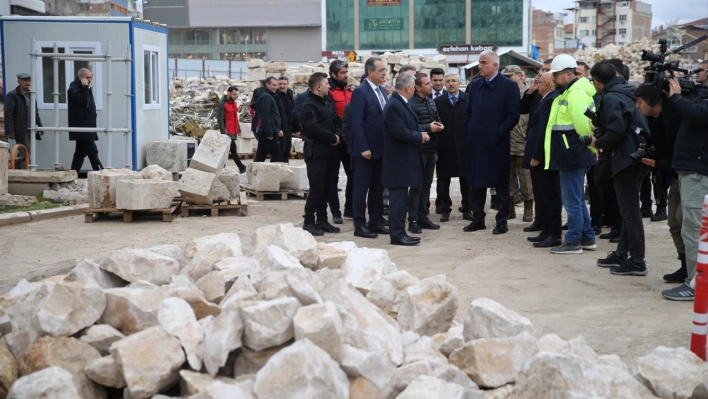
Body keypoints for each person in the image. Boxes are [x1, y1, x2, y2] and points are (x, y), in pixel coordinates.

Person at [588, 60, 649, 276]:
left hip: (626, 160)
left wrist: (598, 142)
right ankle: (622, 253)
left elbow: (615, 130)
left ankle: (638, 261)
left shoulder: (612, 96)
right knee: (627, 210)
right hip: (635, 156)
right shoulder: (627, 90)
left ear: (597, 82)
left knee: (631, 212)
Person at [462, 50, 521, 235]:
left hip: (497, 144)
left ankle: (501, 221)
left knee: (501, 185)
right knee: (476, 183)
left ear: (495, 66)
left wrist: (499, 132)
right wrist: (469, 129)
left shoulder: (509, 87)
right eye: (479, 62)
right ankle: (478, 219)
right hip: (476, 144)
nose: (479, 66)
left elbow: (513, 115)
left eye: (483, 62)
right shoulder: (475, 85)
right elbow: (468, 112)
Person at [661, 74, 708, 301]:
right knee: (692, 228)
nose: (701, 72)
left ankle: (696, 284)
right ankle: (695, 280)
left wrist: (677, 97)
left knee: (694, 229)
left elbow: (698, 113)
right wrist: (672, 99)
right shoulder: (701, 95)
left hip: (699, 172)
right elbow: (677, 122)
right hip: (691, 169)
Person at [543, 54, 596, 254]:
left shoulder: (575, 94)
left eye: (556, 75)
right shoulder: (570, 92)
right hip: (570, 154)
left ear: (567, 74)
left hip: (572, 155)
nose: (553, 79)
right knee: (577, 200)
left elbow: (584, 127)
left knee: (572, 201)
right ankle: (587, 237)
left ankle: (573, 241)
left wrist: (590, 148)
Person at [634, 84, 684, 282]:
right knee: (673, 222)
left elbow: (683, 153)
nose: (637, 106)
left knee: (685, 221)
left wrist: (659, 163)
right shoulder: (653, 121)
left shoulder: (676, 121)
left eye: (640, 102)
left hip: (688, 176)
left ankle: (696, 271)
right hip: (675, 177)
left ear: (654, 103)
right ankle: (686, 266)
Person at [382, 73, 429, 246]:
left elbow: (408, 126)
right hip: (397, 161)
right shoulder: (395, 104)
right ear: (408, 88)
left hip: (403, 160)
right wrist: (420, 137)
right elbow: (399, 132)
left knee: (401, 199)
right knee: (398, 200)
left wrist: (420, 132)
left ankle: (401, 232)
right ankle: (397, 234)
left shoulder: (402, 102)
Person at [348, 57, 390, 239]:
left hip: (380, 149)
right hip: (364, 151)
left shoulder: (381, 91)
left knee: (377, 189)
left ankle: (375, 221)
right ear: (370, 72)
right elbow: (356, 123)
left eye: (385, 70)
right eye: (381, 70)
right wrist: (363, 147)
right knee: (361, 188)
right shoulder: (360, 92)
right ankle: (359, 224)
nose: (384, 74)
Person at [300, 72, 342, 236]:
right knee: (317, 189)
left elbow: (336, 120)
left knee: (327, 187)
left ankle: (322, 220)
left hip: (331, 152)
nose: (329, 86)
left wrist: (337, 135)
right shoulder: (309, 105)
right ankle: (309, 221)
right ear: (318, 86)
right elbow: (313, 128)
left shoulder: (326, 102)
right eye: (326, 84)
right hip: (316, 153)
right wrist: (332, 137)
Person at [527, 72, 562, 248]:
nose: (538, 84)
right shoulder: (547, 98)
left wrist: (536, 155)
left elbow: (543, 131)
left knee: (550, 196)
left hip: (544, 157)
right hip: (543, 156)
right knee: (544, 195)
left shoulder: (550, 99)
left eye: (540, 82)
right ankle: (547, 230)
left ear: (546, 85)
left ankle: (553, 233)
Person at [407, 73, 444, 233]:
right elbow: (410, 128)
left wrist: (439, 125)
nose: (432, 86)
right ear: (418, 87)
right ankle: (413, 219)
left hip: (430, 150)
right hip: (417, 151)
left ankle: (423, 217)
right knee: (416, 186)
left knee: (427, 185)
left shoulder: (430, 101)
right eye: (427, 83)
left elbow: (437, 119)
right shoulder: (410, 104)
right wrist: (429, 127)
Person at [520, 58, 553, 232]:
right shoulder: (538, 92)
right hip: (533, 145)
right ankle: (540, 220)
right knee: (537, 187)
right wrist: (531, 91)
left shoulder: (554, 95)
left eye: (547, 70)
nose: (541, 74)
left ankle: (549, 224)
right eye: (541, 70)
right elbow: (523, 109)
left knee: (548, 190)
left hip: (546, 149)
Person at [435, 73, 470, 222]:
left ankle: (468, 209)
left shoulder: (468, 100)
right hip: (444, 147)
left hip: (465, 147)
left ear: (459, 83)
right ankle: (444, 210)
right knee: (443, 180)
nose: (450, 84)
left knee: (466, 181)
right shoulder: (437, 102)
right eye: (448, 81)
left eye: (453, 81)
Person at [504, 65, 533, 222]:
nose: (508, 80)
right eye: (506, 77)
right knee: (507, 179)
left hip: (524, 144)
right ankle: (510, 208)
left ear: (520, 76)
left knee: (526, 180)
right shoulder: (504, 94)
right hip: (507, 143)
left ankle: (528, 209)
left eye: (510, 76)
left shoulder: (529, 94)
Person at [327, 60, 353, 224]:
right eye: (342, 73)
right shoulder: (329, 92)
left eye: (346, 72)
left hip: (349, 140)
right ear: (334, 74)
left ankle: (349, 209)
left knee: (354, 175)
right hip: (334, 141)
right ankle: (336, 212)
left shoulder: (349, 91)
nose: (345, 75)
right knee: (332, 178)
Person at [68, 68, 103, 172]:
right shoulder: (74, 88)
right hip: (83, 126)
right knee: (92, 151)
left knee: (80, 153)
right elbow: (80, 99)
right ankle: (100, 173)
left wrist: (86, 87)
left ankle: (73, 173)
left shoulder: (86, 88)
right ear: (81, 77)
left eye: (91, 77)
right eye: (87, 77)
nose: (89, 80)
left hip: (87, 125)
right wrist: (84, 87)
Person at [5, 73, 42, 158]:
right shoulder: (13, 95)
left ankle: (17, 169)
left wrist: (40, 125)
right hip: (20, 129)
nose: (27, 83)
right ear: (19, 81)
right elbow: (9, 114)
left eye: (29, 80)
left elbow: (35, 112)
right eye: (25, 80)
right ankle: (26, 171)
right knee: (26, 152)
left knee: (25, 152)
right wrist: (11, 131)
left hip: (31, 128)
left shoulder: (31, 95)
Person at [216, 86, 247, 174]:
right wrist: (223, 133)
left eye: (236, 95)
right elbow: (220, 119)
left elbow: (235, 118)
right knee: (232, 149)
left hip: (233, 131)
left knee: (228, 150)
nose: (235, 96)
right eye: (234, 94)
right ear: (228, 93)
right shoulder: (222, 104)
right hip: (227, 131)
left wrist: (239, 129)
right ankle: (241, 166)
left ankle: (222, 167)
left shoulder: (233, 103)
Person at [254, 77, 283, 163]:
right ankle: (275, 176)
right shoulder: (266, 97)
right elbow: (265, 115)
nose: (276, 87)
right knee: (277, 157)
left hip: (267, 129)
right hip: (268, 131)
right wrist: (270, 132)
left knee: (260, 156)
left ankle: (254, 174)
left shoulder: (268, 96)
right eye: (274, 85)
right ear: (267, 84)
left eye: (276, 85)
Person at [276, 77, 295, 162]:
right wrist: (278, 128)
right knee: (279, 153)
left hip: (288, 129)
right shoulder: (276, 96)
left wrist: (296, 128)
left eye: (284, 84)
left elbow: (293, 112)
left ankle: (285, 171)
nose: (282, 86)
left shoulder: (290, 95)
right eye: (280, 84)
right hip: (280, 130)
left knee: (287, 151)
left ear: (288, 85)